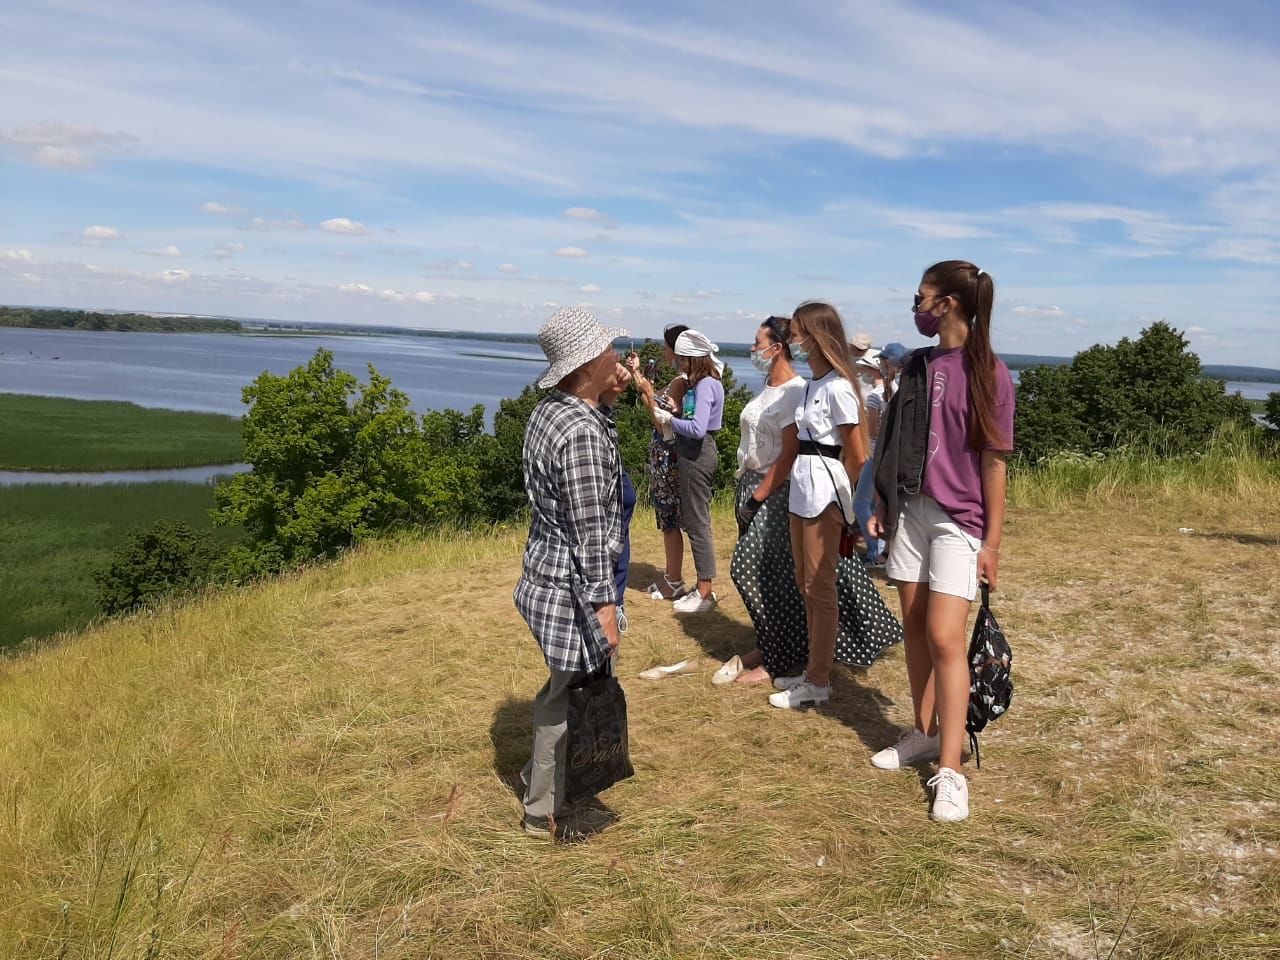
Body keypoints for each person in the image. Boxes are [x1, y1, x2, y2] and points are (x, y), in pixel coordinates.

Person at [868, 260, 1015, 824]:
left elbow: (994, 462)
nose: (917, 307)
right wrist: (883, 501)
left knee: (944, 635)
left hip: (959, 522)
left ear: (948, 304)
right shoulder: (915, 367)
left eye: (922, 298)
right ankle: (925, 733)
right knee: (914, 627)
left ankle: (950, 770)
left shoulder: (990, 373)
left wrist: (991, 544)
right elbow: (893, 442)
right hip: (911, 512)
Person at [513, 306, 628, 838]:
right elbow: (588, 528)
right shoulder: (580, 433)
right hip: (570, 589)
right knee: (565, 697)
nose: (618, 356)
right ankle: (542, 812)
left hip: (546, 575)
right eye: (609, 350)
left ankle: (543, 776)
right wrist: (606, 608)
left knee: (566, 687)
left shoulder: (552, 412)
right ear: (586, 364)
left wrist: (610, 397)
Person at [769, 302, 903, 709]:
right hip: (802, 489)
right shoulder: (813, 384)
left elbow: (858, 454)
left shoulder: (840, 387)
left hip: (823, 492)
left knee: (819, 585)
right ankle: (815, 666)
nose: (791, 340)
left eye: (796, 333)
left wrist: (856, 507)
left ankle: (820, 677)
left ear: (814, 335)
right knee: (804, 582)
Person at [717, 316, 805, 684]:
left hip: (773, 489)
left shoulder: (794, 390)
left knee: (748, 569)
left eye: (758, 343)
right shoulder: (769, 383)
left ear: (777, 346)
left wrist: (758, 496)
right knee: (767, 575)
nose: (753, 349)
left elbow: (789, 453)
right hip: (751, 482)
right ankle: (770, 646)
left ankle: (780, 657)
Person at [650, 329, 724, 614]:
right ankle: (702, 586)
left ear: (694, 359)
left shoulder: (705, 385)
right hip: (693, 451)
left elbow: (698, 428)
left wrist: (670, 419)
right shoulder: (703, 383)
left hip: (697, 452)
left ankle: (704, 591)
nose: (679, 364)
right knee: (695, 521)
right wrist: (676, 411)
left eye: (683, 359)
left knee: (696, 523)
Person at [633, 324, 690, 601]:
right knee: (669, 520)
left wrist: (647, 387)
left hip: (668, 457)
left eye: (667, 347)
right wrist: (640, 379)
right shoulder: (682, 380)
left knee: (670, 520)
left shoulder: (680, 382)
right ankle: (673, 577)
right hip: (666, 455)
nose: (665, 353)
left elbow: (661, 421)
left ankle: (674, 580)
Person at [600, 362, 638, 633]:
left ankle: (617, 602)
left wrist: (619, 387)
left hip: (614, 468)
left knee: (624, 509)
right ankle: (608, 605)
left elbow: (602, 408)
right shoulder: (573, 414)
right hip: (602, 472)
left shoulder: (593, 403)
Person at [853, 349, 887, 566]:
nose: (862, 371)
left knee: (860, 503)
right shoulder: (892, 390)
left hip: (873, 453)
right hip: (886, 454)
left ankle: (875, 550)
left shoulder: (875, 395)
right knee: (877, 503)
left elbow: (872, 430)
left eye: (864, 367)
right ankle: (882, 549)